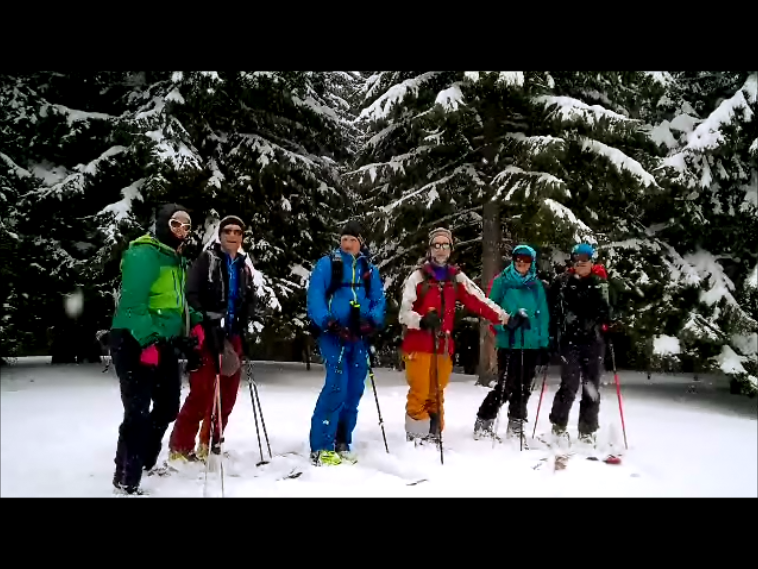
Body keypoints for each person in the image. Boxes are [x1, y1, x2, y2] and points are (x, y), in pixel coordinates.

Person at [109, 204, 204, 495]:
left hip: (163, 343)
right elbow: (132, 303)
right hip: (132, 340)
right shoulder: (143, 254)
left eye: (187, 227)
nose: (181, 231)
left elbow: (180, 303)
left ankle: (145, 457)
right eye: (176, 224)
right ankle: (126, 477)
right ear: (162, 223)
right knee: (137, 412)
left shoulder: (176, 260)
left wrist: (195, 324)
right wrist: (147, 341)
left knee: (167, 406)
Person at [398, 228, 510, 444]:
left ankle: (434, 433)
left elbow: (478, 300)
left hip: (443, 345)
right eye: (436, 245)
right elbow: (404, 313)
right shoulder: (418, 277)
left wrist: (505, 318)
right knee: (420, 392)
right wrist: (420, 320)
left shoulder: (455, 277)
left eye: (445, 245)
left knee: (437, 393)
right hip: (419, 344)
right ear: (430, 249)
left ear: (451, 249)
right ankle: (416, 437)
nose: (440, 249)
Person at [168, 215, 257, 464]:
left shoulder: (243, 266)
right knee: (203, 392)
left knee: (227, 395)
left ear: (242, 237)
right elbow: (191, 293)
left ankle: (211, 441)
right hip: (207, 334)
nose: (232, 235)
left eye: (237, 232)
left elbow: (249, 297)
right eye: (228, 231)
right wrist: (207, 318)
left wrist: (245, 317)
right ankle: (180, 446)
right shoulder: (207, 260)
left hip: (232, 335)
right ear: (220, 235)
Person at [307, 221, 386, 466]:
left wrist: (371, 321)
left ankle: (342, 440)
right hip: (334, 335)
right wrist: (328, 322)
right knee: (336, 385)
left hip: (358, 336)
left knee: (354, 389)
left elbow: (378, 299)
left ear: (361, 242)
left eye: (353, 239)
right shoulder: (328, 264)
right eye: (344, 239)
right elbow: (316, 295)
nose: (348, 244)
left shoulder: (368, 269)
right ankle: (321, 445)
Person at [473, 245, 550, 445]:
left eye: (525, 260)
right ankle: (484, 419)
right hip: (510, 342)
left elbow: (542, 315)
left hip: (531, 343)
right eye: (518, 259)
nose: (521, 263)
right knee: (506, 386)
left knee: (524, 387)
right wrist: (505, 326)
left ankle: (516, 423)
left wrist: (543, 343)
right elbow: (490, 310)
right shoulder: (502, 282)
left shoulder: (536, 285)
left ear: (532, 262)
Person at [546, 242, 612, 449]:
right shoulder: (563, 283)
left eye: (585, 259)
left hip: (594, 341)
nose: (581, 263)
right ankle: (558, 426)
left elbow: (611, 312)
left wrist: (606, 321)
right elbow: (552, 310)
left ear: (592, 261)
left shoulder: (601, 284)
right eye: (578, 259)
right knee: (570, 384)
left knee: (591, 386)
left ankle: (587, 430)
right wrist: (551, 334)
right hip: (570, 341)